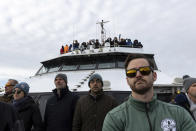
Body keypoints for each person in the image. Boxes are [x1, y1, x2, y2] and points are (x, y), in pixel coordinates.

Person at [102, 54, 196, 131]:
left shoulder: (179, 114)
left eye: (144, 70)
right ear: (127, 80)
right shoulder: (114, 118)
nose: (138, 75)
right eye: (131, 73)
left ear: (154, 76)